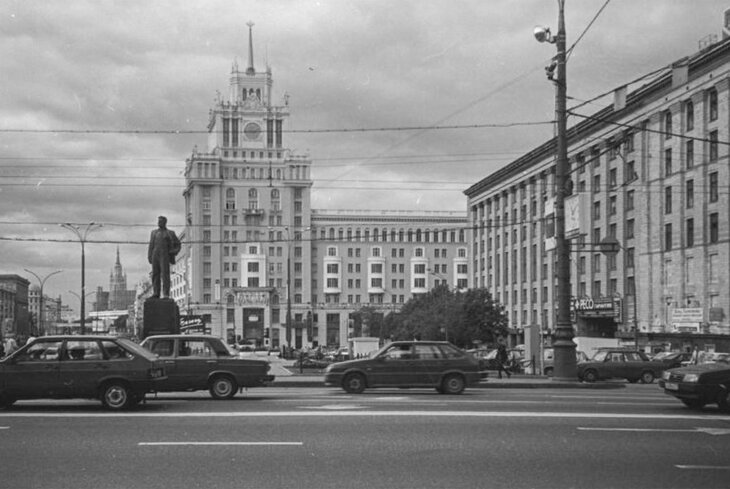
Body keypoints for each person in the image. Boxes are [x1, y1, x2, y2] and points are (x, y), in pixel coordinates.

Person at [147, 215, 181, 299]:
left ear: (164, 222)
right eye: (158, 221)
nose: (158, 223)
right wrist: (149, 255)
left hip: (164, 255)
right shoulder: (154, 232)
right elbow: (151, 245)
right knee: (155, 274)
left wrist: (173, 251)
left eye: (160, 221)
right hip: (155, 254)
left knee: (165, 274)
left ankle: (166, 293)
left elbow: (178, 244)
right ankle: (156, 293)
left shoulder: (170, 233)